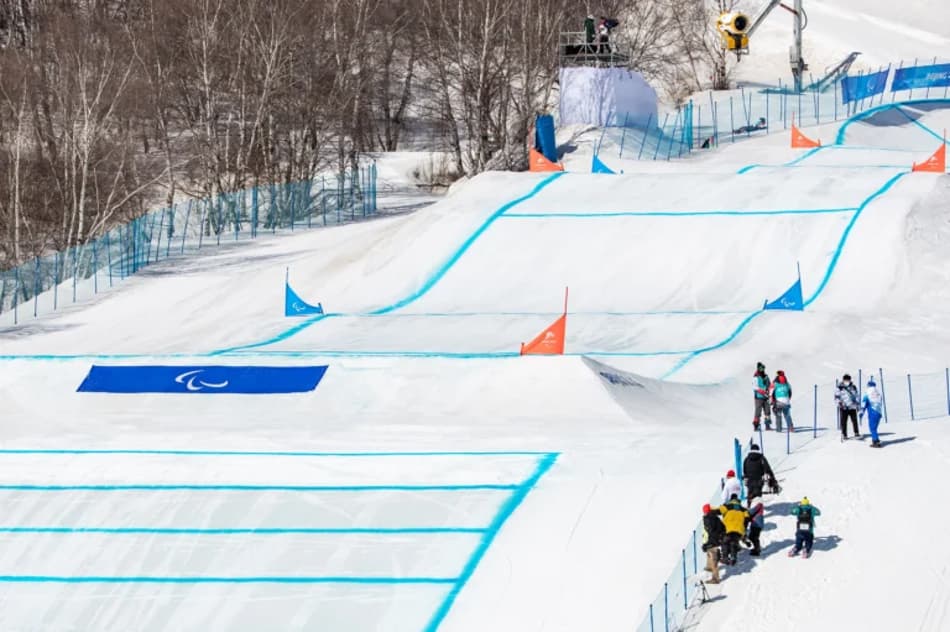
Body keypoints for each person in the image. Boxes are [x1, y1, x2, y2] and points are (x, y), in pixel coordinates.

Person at [719, 494, 750, 565]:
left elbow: (718, 510)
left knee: (725, 542)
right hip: (739, 529)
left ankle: (725, 558)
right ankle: (733, 558)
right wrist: (744, 526)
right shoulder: (743, 509)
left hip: (727, 528)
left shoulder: (727, 506)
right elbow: (747, 518)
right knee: (734, 542)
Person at [702, 503, 725, 583]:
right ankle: (709, 567)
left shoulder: (708, 519)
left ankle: (715, 578)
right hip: (717, 539)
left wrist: (708, 543)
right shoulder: (715, 517)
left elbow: (711, 533)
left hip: (714, 540)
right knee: (710, 553)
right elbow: (723, 527)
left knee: (713, 557)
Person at [835, 374, 861, 440]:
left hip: (852, 406)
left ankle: (856, 432)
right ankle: (844, 434)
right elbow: (837, 397)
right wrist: (839, 403)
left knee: (854, 420)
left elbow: (857, 395)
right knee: (843, 421)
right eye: (846, 380)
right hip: (844, 407)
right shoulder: (839, 388)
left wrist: (857, 403)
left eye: (848, 380)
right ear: (843, 380)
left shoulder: (853, 387)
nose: (847, 381)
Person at [860, 377, 884, 448]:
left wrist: (861, 412)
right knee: (874, 428)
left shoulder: (867, 393)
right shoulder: (878, 393)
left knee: (872, 428)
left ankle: (876, 441)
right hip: (879, 412)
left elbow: (864, 403)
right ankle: (875, 439)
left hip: (872, 412)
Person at [753, 362, 772, 431]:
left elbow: (769, 385)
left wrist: (769, 392)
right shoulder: (755, 377)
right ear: (758, 368)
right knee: (758, 412)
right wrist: (761, 391)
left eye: (763, 368)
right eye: (761, 368)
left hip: (766, 397)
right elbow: (754, 387)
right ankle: (756, 426)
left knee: (767, 411)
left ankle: (767, 425)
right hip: (758, 397)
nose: (762, 369)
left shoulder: (766, 376)